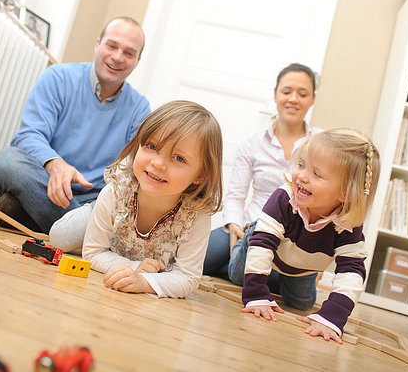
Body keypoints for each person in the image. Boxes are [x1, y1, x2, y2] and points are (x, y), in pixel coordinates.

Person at [0, 17, 150, 236]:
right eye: (111, 45)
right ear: (97, 44)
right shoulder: (58, 77)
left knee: (11, 207)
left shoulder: (140, 108)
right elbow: (29, 135)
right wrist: (55, 165)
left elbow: (131, 172)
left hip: (94, 201)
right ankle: (80, 235)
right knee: (6, 161)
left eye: (129, 53)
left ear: (138, 61)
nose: (117, 57)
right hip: (44, 184)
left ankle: (42, 219)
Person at [232, 128, 380, 343]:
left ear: (345, 192)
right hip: (264, 242)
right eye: (301, 165)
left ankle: (273, 277)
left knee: (301, 304)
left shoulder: (348, 224)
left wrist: (332, 317)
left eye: (316, 174)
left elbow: (352, 270)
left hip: (302, 265)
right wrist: (256, 295)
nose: (301, 176)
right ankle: (243, 242)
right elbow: (263, 243)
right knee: (239, 277)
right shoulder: (284, 197)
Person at [81, 100, 223, 298]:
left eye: (179, 158)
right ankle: (87, 211)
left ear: (200, 175)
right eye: (151, 146)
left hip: (126, 244)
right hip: (109, 212)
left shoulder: (195, 217)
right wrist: (135, 267)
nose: (158, 163)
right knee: (63, 237)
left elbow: (188, 278)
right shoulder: (114, 192)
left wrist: (144, 282)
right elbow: (93, 253)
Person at [203, 63, 321, 279]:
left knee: (279, 277)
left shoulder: (321, 144)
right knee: (201, 259)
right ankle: (238, 267)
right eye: (286, 92)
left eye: (302, 94)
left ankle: (236, 270)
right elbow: (236, 195)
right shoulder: (252, 142)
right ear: (276, 95)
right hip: (249, 227)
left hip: (291, 239)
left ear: (312, 98)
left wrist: (316, 256)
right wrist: (234, 225)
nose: (293, 99)